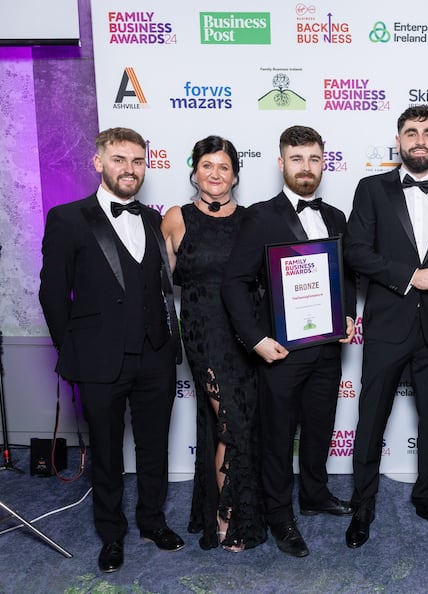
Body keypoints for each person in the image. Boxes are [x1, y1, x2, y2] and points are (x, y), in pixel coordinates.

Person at [38, 127, 184, 573]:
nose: (130, 169)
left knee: (154, 445)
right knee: (105, 450)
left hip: (156, 355)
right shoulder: (68, 218)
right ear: (98, 163)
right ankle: (111, 533)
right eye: (120, 159)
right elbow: (52, 295)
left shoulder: (153, 219)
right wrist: (75, 351)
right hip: (99, 361)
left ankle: (152, 521)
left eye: (138, 161)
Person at [221, 125, 356, 558]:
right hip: (279, 350)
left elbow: (345, 275)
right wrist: (256, 339)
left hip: (327, 348)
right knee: (278, 438)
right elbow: (234, 283)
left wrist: (348, 312)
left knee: (319, 428)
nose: (306, 168)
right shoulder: (261, 216)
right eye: (297, 159)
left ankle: (315, 495)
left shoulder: (335, 216)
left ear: (323, 163)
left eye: (314, 159)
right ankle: (280, 516)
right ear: (281, 163)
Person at [343, 105, 428, 549]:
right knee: (371, 419)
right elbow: (355, 251)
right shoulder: (371, 189)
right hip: (387, 326)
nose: (420, 139)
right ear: (398, 141)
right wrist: (410, 276)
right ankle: (363, 504)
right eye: (412, 132)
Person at [160, 135, 266, 552]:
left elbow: (269, 279)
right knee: (232, 423)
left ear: (235, 174)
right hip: (204, 333)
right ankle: (228, 515)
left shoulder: (252, 220)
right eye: (208, 165)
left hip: (246, 335)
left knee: (231, 425)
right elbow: (156, 287)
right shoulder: (175, 218)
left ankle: (220, 507)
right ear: (195, 171)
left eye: (224, 167)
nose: (215, 174)